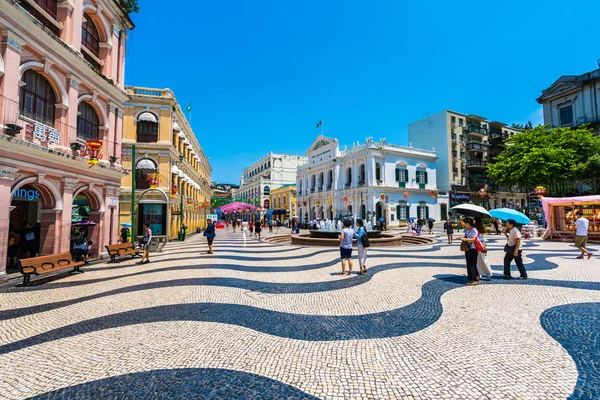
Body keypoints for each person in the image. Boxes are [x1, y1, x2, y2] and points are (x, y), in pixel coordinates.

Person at [459, 217, 480, 286]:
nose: (464, 224)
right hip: (468, 248)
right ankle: (476, 276)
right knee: (469, 263)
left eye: (465, 223)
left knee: (472, 264)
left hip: (473, 249)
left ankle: (473, 280)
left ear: (468, 223)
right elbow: (466, 237)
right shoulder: (467, 230)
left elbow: (474, 239)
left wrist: (464, 239)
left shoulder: (474, 230)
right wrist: (463, 238)